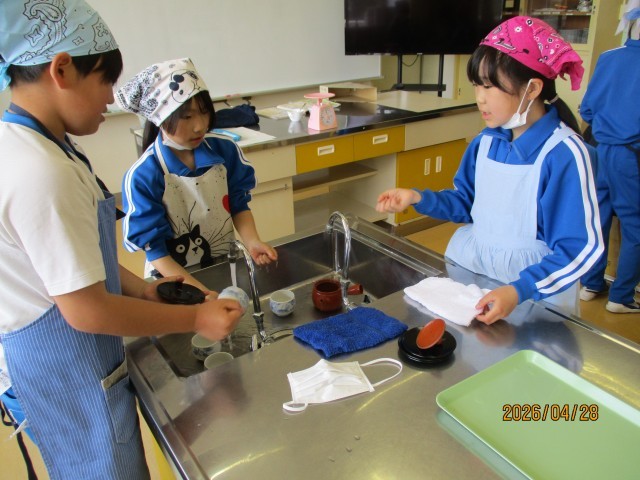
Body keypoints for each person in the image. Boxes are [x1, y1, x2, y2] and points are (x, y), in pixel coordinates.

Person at [0, 2, 245, 478]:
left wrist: (144, 290)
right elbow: (86, 309)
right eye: (105, 81)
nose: (112, 98)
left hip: (66, 364)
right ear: (61, 69)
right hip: (66, 373)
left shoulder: (37, 145)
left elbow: (73, 265)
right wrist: (196, 318)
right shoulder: (41, 172)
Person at [376, 16, 603, 325]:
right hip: (474, 278)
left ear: (532, 88)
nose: (479, 98)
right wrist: (417, 197)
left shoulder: (563, 154)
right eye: (476, 85)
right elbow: (467, 203)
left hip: (533, 293)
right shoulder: (485, 142)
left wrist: (519, 290)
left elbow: (579, 248)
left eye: (489, 86)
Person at [116, 58, 277, 292]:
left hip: (223, 265)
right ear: (161, 118)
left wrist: (252, 241)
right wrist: (202, 294)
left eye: (204, 112)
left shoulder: (225, 151)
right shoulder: (144, 175)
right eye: (187, 117)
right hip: (174, 280)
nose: (200, 126)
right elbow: (157, 253)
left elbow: (238, 204)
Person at [578, 1, 640, 314]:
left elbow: (587, 109)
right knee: (635, 227)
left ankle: (591, 284)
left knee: (598, 220)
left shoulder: (609, 57)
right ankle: (621, 297)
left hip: (599, 150)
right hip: (630, 156)